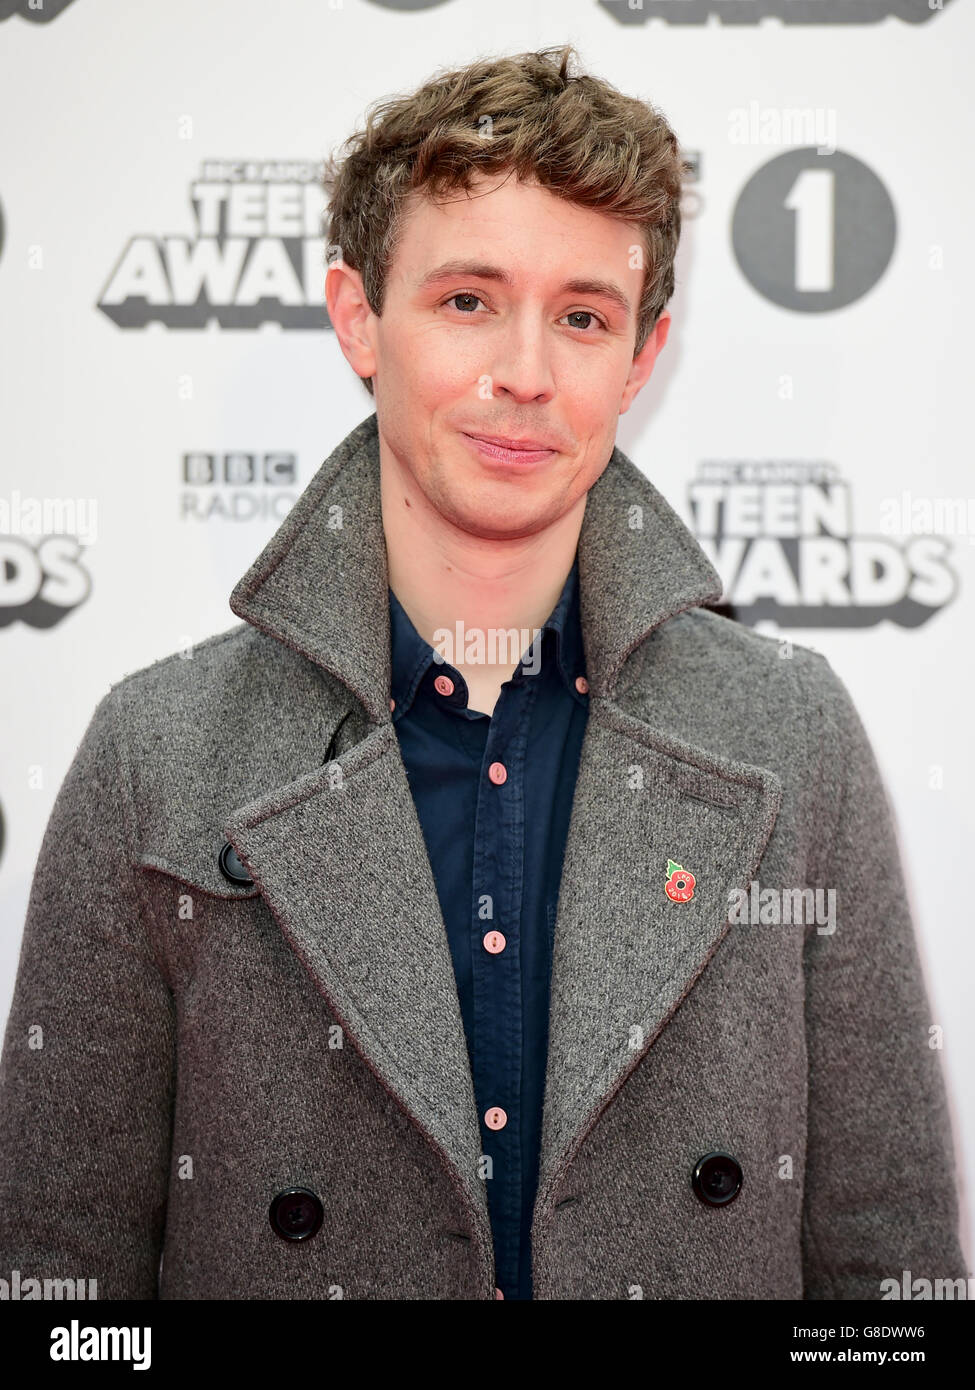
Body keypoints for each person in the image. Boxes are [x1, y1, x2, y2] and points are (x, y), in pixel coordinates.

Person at [0, 44, 966, 1301]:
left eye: (582, 315)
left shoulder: (790, 733)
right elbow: (59, 1294)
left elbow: (890, 1274)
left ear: (643, 354)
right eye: (467, 300)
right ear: (358, 318)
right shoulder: (160, 749)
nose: (526, 371)